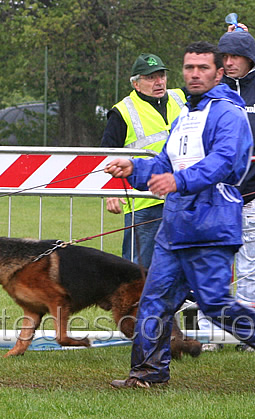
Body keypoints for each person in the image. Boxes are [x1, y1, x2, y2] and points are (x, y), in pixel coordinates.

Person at [105, 41, 255, 388]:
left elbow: (223, 163)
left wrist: (179, 180)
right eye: (189, 68)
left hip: (211, 225)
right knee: (153, 302)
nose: (194, 74)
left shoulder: (228, 114)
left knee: (216, 305)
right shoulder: (185, 117)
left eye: (203, 68)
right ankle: (147, 375)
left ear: (219, 73)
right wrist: (133, 168)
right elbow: (162, 164)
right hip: (174, 228)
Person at [197, 25, 255, 350]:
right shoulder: (209, 90)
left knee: (250, 267)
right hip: (214, 196)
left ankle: (246, 333)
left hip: (251, 196)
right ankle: (210, 333)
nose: (231, 62)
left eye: (237, 56)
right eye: (226, 56)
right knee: (213, 264)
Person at [101, 53, 186, 268]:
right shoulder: (122, 111)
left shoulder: (181, 98)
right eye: (150, 78)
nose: (159, 82)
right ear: (136, 84)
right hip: (144, 202)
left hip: (182, 197)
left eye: (161, 75)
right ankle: (132, 303)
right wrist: (110, 191)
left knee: (183, 263)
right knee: (138, 269)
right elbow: (106, 154)